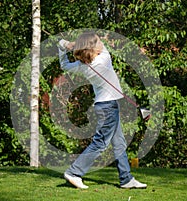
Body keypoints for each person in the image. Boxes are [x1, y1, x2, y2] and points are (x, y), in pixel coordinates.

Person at [58, 32, 147, 189]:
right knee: (101, 142)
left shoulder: (82, 66)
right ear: (93, 47)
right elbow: (102, 46)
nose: (101, 42)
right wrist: (73, 44)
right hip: (108, 107)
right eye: (98, 41)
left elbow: (64, 65)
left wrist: (63, 45)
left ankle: (126, 179)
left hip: (105, 105)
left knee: (119, 142)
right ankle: (74, 172)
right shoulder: (104, 59)